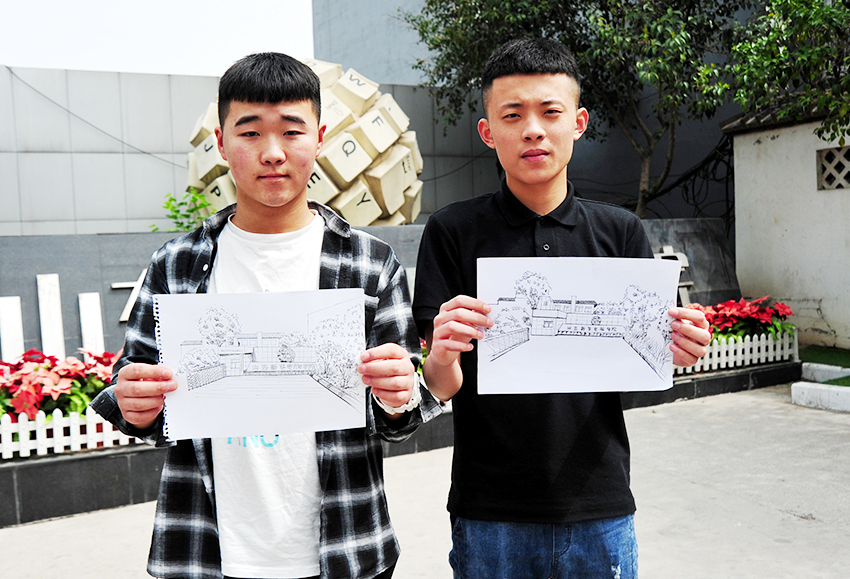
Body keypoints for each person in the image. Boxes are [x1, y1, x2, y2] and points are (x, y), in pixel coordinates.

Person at [91, 52, 440, 579]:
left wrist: (397, 395)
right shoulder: (176, 263)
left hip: (347, 546)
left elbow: (398, 417)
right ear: (221, 141)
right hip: (207, 551)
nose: (272, 153)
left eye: (292, 132)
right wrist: (135, 403)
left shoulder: (369, 263)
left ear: (319, 138)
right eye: (250, 132)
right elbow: (137, 389)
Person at [412, 38, 712, 578]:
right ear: (488, 132)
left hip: (601, 502)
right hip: (490, 510)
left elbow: (652, 356)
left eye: (550, 112)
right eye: (512, 115)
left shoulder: (620, 232)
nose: (533, 129)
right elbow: (439, 385)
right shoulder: (451, 231)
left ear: (578, 123)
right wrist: (443, 353)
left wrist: (682, 346)